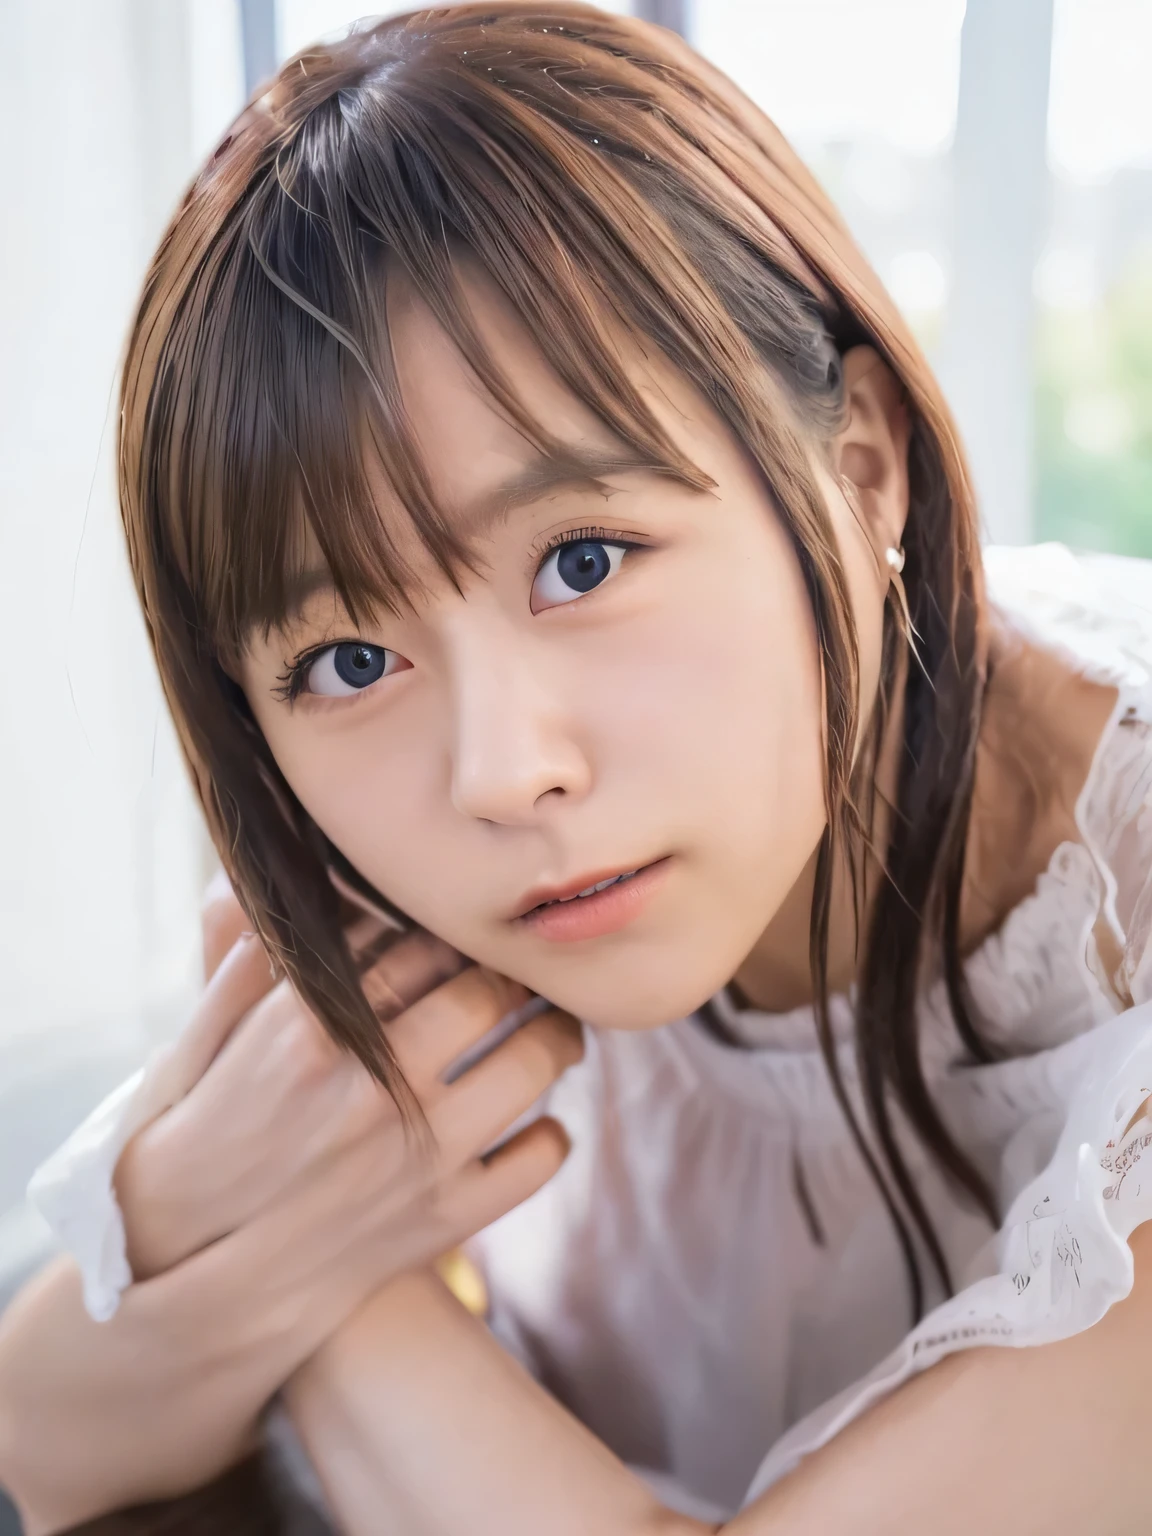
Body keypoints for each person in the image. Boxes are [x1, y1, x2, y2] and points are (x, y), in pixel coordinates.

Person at [3, 4, 1152, 1531]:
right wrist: (244, 1227)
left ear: (859, 466)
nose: (502, 771)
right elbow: (40, 1436)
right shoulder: (408, 845)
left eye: (584, 559)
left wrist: (335, 1275)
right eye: (350, 660)